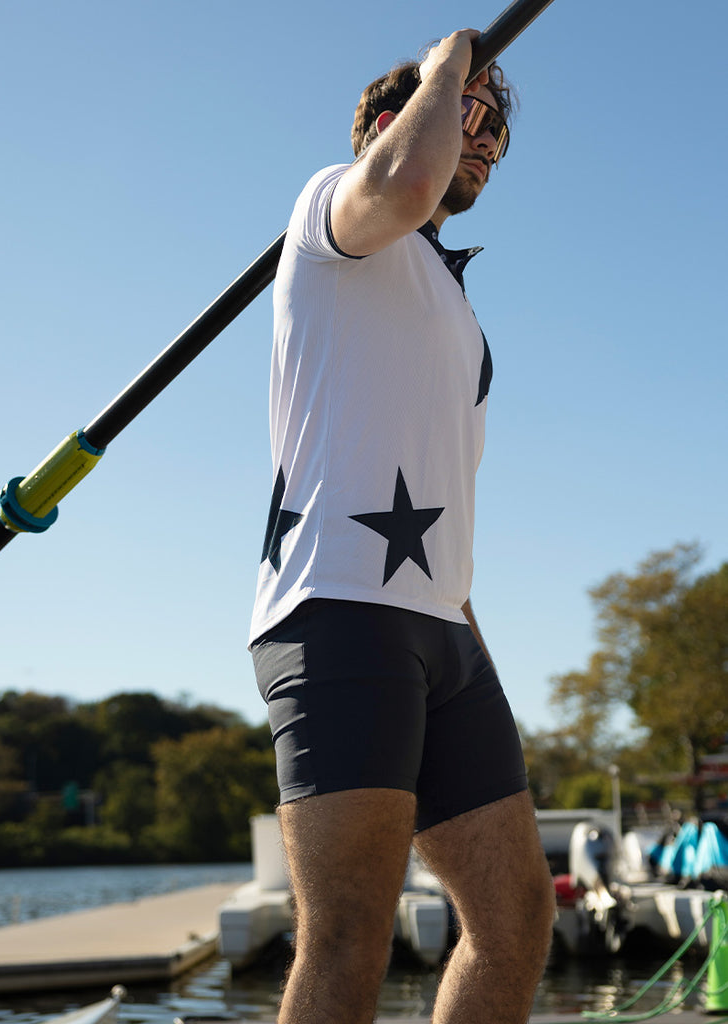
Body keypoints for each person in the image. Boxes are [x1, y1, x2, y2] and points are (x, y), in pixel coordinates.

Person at [249, 28, 555, 1024]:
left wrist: (471, 637)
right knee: (348, 935)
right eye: (471, 116)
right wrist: (453, 57)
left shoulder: (453, 303)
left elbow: (446, 490)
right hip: (335, 606)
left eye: (497, 140)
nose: (484, 145)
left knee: (514, 922)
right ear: (396, 118)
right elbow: (408, 184)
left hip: (445, 629)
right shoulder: (334, 209)